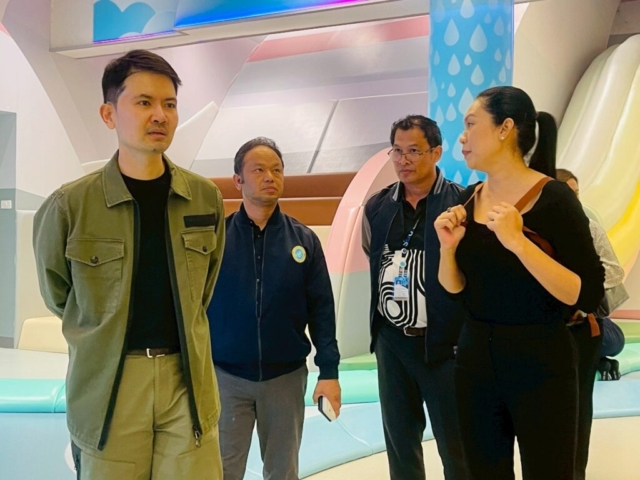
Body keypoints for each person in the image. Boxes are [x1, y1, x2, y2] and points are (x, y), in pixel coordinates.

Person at [33, 50, 225, 480]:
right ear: (109, 114)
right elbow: (58, 294)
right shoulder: (70, 206)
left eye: (169, 104)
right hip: (110, 386)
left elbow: (205, 287)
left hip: (187, 382)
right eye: (144, 102)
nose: (160, 115)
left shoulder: (204, 198)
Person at [435, 86, 605, 479]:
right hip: (476, 359)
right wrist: (447, 249)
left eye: (471, 124)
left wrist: (518, 243)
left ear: (505, 128)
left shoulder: (555, 198)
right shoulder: (468, 199)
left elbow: (587, 293)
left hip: (541, 359)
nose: (462, 137)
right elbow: (455, 289)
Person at [207, 137, 341, 480]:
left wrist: (329, 372)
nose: (270, 176)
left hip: (285, 379)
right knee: (221, 471)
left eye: (277, 170)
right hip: (226, 378)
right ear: (238, 180)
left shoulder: (304, 240)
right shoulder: (215, 240)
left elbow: (322, 310)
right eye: (259, 170)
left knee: (283, 471)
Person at [362, 115, 468, 480]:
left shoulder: (461, 204)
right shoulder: (377, 206)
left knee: (457, 446)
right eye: (397, 151)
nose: (403, 160)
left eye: (414, 151)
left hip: (445, 346)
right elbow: (372, 254)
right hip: (392, 344)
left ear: (436, 153)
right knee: (400, 443)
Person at [557, 167, 627, 478]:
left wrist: (578, 291)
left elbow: (614, 272)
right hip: (544, 330)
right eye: (566, 193)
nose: (573, 200)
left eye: (576, 193)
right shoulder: (529, 230)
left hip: (586, 322)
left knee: (612, 341)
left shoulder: (590, 228)